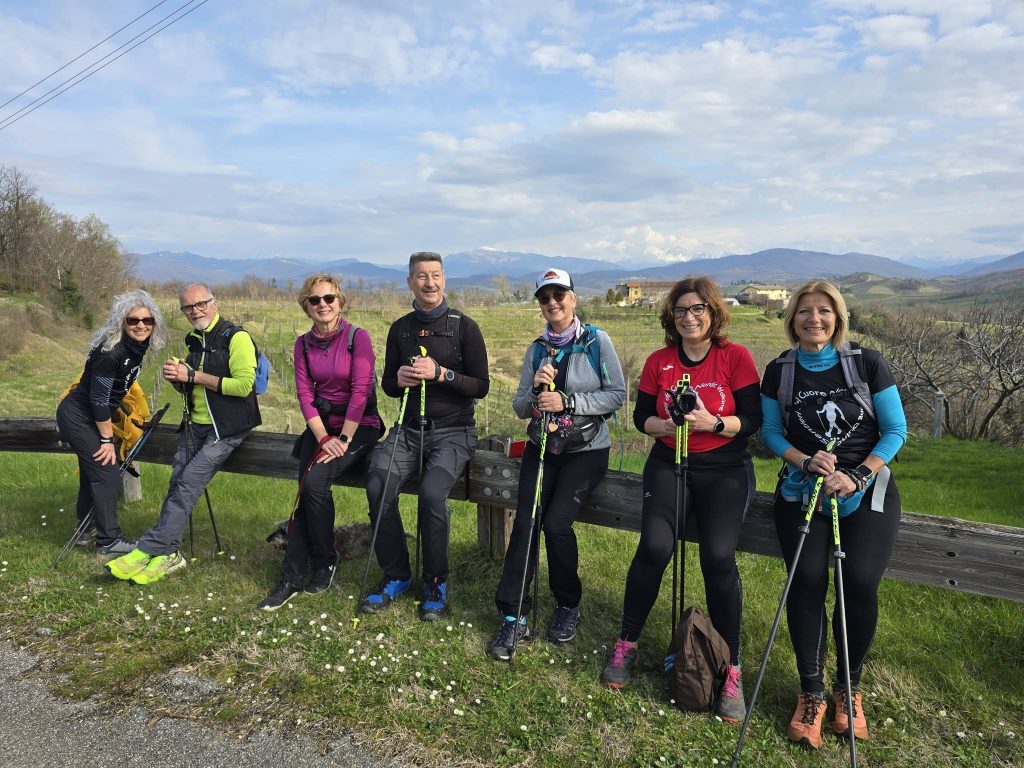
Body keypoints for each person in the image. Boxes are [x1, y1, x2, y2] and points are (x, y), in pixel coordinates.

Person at [600, 276, 762, 724]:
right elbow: (641, 418)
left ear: (713, 312)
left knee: (718, 556)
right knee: (654, 546)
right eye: (681, 311)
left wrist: (712, 422)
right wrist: (667, 426)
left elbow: (752, 420)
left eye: (698, 309)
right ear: (671, 318)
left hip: (726, 468)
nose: (689, 317)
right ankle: (626, 644)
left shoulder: (736, 357)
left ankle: (732, 669)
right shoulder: (660, 361)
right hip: (670, 463)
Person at [760, 280, 906, 748]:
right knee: (805, 583)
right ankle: (811, 693)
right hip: (805, 488)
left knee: (858, 582)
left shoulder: (866, 363)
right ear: (792, 318)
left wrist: (858, 475)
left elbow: (896, 430)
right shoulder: (779, 370)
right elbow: (769, 433)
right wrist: (805, 460)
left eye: (824, 311)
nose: (814, 319)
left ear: (838, 317)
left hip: (865, 488)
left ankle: (849, 688)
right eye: (805, 311)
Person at [488, 268, 626, 660]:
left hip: (586, 450)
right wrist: (535, 392)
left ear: (573, 298)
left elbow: (616, 395)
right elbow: (518, 408)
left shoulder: (597, 341)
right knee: (527, 523)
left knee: (557, 523)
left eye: (559, 295)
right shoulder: (537, 351)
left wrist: (570, 402)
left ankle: (567, 604)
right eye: (545, 298)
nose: (553, 303)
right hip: (542, 446)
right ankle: (514, 616)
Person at [360, 252, 489, 620]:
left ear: (445, 280)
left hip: (454, 432)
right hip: (408, 430)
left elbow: (481, 386)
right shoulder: (399, 329)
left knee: (432, 495)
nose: (429, 283)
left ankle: (435, 580)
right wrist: (398, 380)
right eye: (421, 276)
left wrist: (441, 374)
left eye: (435, 275)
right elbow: (386, 384)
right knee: (378, 485)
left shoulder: (464, 327)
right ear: (410, 282)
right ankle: (396, 574)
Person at [106, 284, 261, 585]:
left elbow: (243, 386)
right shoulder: (195, 341)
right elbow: (196, 386)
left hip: (226, 429)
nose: (195, 311)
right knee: (177, 482)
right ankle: (169, 554)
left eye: (201, 304)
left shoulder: (236, 338)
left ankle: (147, 549)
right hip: (195, 425)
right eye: (188, 307)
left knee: (188, 483)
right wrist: (179, 379)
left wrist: (193, 375)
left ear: (214, 303)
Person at [260, 275, 382, 610]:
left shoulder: (358, 338)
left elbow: (360, 392)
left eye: (329, 298)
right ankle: (292, 577)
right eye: (315, 300)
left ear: (340, 301)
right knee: (305, 492)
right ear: (306, 306)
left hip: (360, 427)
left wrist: (343, 439)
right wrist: (324, 437)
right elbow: (305, 396)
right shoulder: (302, 345)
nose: (323, 305)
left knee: (314, 481)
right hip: (322, 428)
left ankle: (325, 559)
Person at [57, 289, 168, 556]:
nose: (141, 325)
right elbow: (98, 398)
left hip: (94, 414)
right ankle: (110, 542)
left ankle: (85, 530)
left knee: (92, 473)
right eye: (133, 320)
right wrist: (107, 439)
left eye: (147, 320)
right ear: (122, 322)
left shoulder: (136, 347)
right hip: (80, 415)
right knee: (107, 473)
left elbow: (115, 393)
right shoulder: (112, 352)